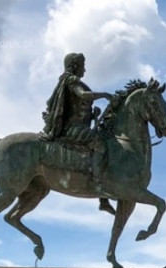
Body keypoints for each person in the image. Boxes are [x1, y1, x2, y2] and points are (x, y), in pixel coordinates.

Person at [39, 52, 115, 213]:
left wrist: (92, 115)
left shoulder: (69, 81)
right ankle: (98, 185)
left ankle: (104, 200)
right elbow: (82, 95)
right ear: (75, 66)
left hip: (80, 126)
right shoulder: (71, 80)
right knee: (100, 144)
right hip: (73, 128)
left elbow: (78, 106)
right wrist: (104, 95)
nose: (85, 70)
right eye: (83, 66)